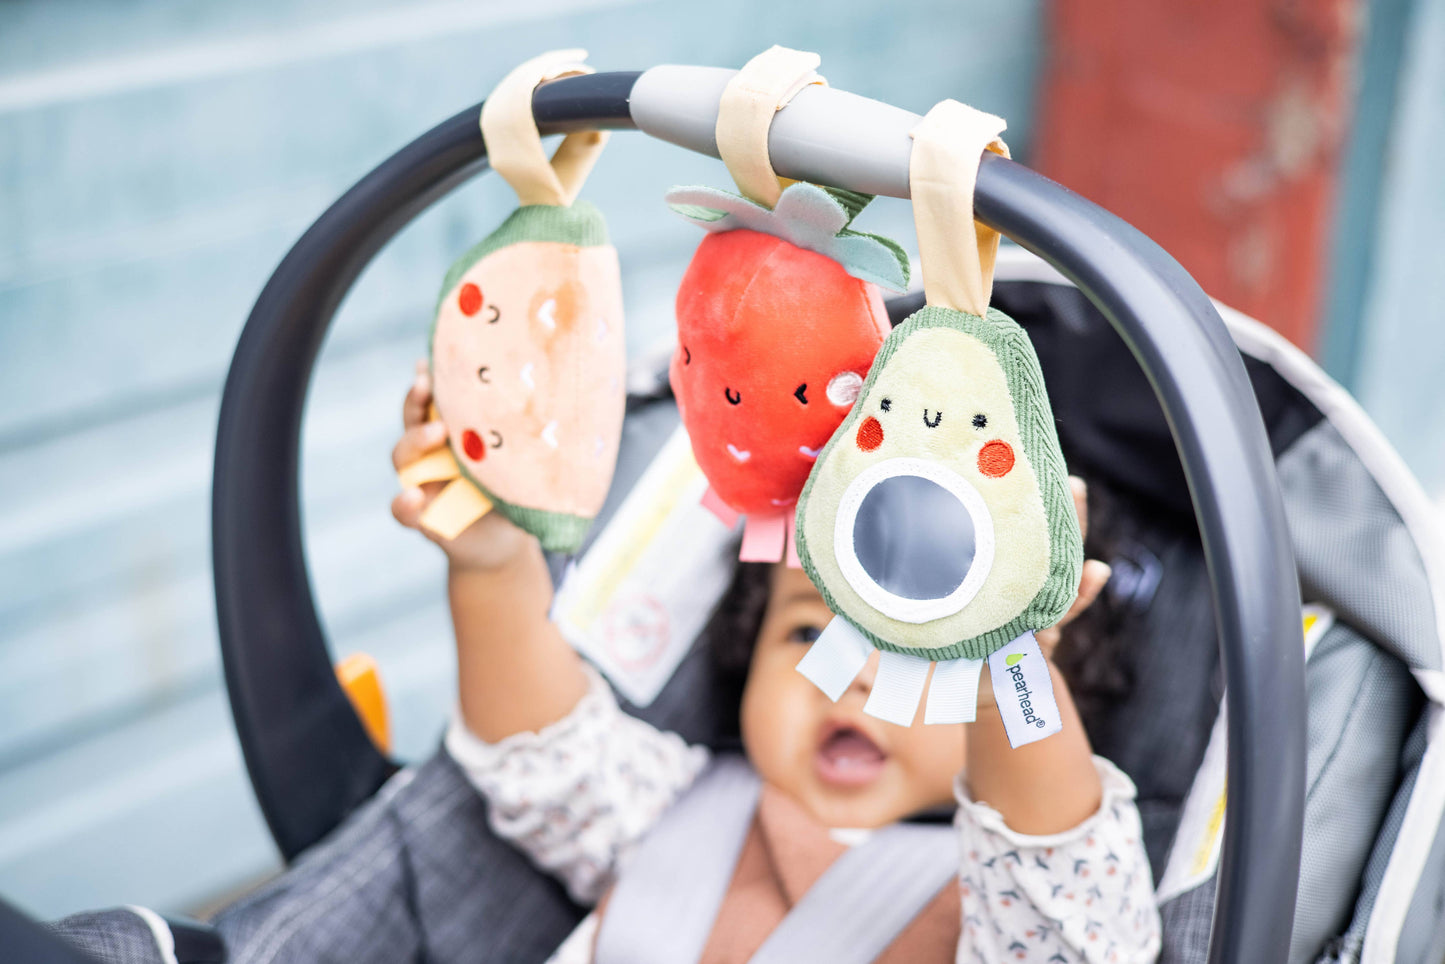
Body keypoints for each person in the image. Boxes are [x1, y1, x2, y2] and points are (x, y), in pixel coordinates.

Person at [386, 363, 1162, 964]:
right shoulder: (669, 806)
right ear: (746, 648)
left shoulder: (996, 914)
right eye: (805, 635)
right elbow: (541, 748)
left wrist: (1007, 684)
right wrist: (491, 563)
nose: (855, 676)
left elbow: (1068, 919)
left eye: (920, 656)